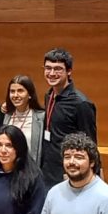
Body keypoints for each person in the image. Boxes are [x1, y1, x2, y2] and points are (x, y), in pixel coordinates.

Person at [38, 133, 108, 214]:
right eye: (67, 157)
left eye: (78, 157)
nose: (71, 162)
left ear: (92, 162)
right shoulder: (54, 193)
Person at [40, 48, 98, 187]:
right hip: (47, 169)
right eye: (48, 68)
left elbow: (90, 143)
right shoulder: (49, 96)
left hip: (68, 171)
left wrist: (93, 175)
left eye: (58, 69)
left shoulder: (81, 103)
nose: (52, 73)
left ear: (69, 71)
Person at [3, 75, 45, 162]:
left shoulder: (41, 118)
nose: (15, 95)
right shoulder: (6, 116)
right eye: (12, 91)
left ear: (30, 95)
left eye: (20, 91)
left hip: (31, 170)